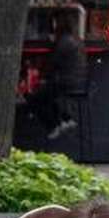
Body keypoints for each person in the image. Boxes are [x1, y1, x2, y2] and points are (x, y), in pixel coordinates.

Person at [32, 12, 88, 140]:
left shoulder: (64, 42)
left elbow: (53, 63)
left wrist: (41, 77)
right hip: (77, 81)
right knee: (49, 95)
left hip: (65, 82)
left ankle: (54, 125)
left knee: (35, 98)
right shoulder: (76, 40)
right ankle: (66, 118)